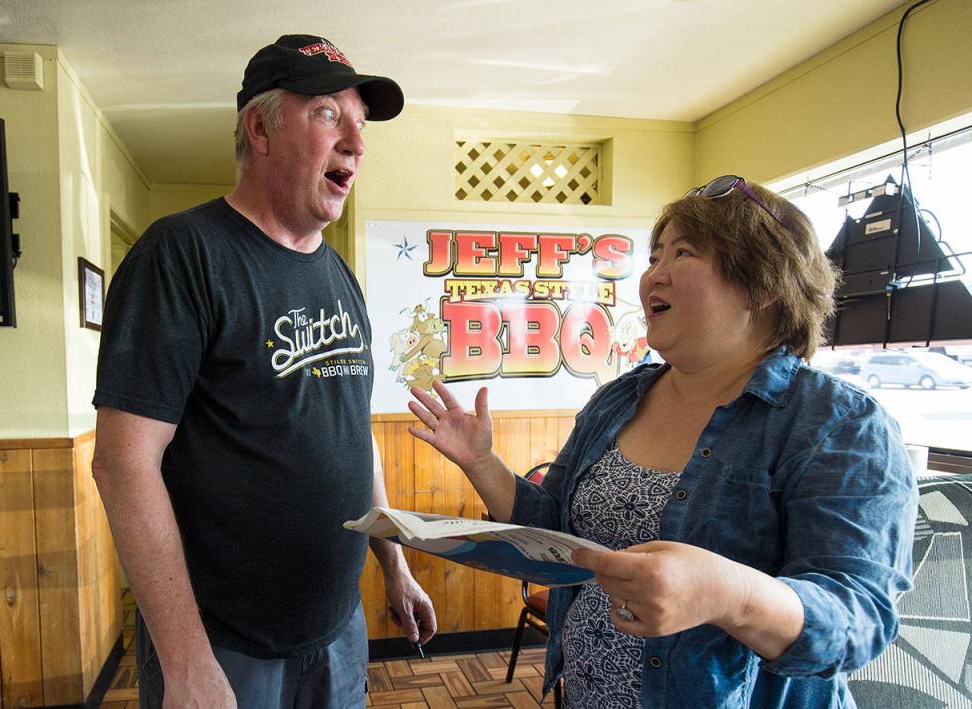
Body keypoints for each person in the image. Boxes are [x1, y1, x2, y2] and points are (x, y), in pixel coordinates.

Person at [407, 175, 917, 708]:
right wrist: (482, 462)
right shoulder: (617, 399)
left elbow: (858, 619)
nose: (654, 273)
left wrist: (727, 593)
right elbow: (557, 531)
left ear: (763, 284)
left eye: (683, 252)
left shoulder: (839, 424)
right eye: (654, 256)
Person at [92, 34, 435, 709]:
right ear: (261, 127)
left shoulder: (341, 277)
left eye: (360, 126)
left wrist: (394, 562)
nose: (357, 145)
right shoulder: (183, 254)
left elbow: (352, 433)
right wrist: (186, 661)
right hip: (222, 645)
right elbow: (123, 463)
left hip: (337, 630)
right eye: (329, 115)